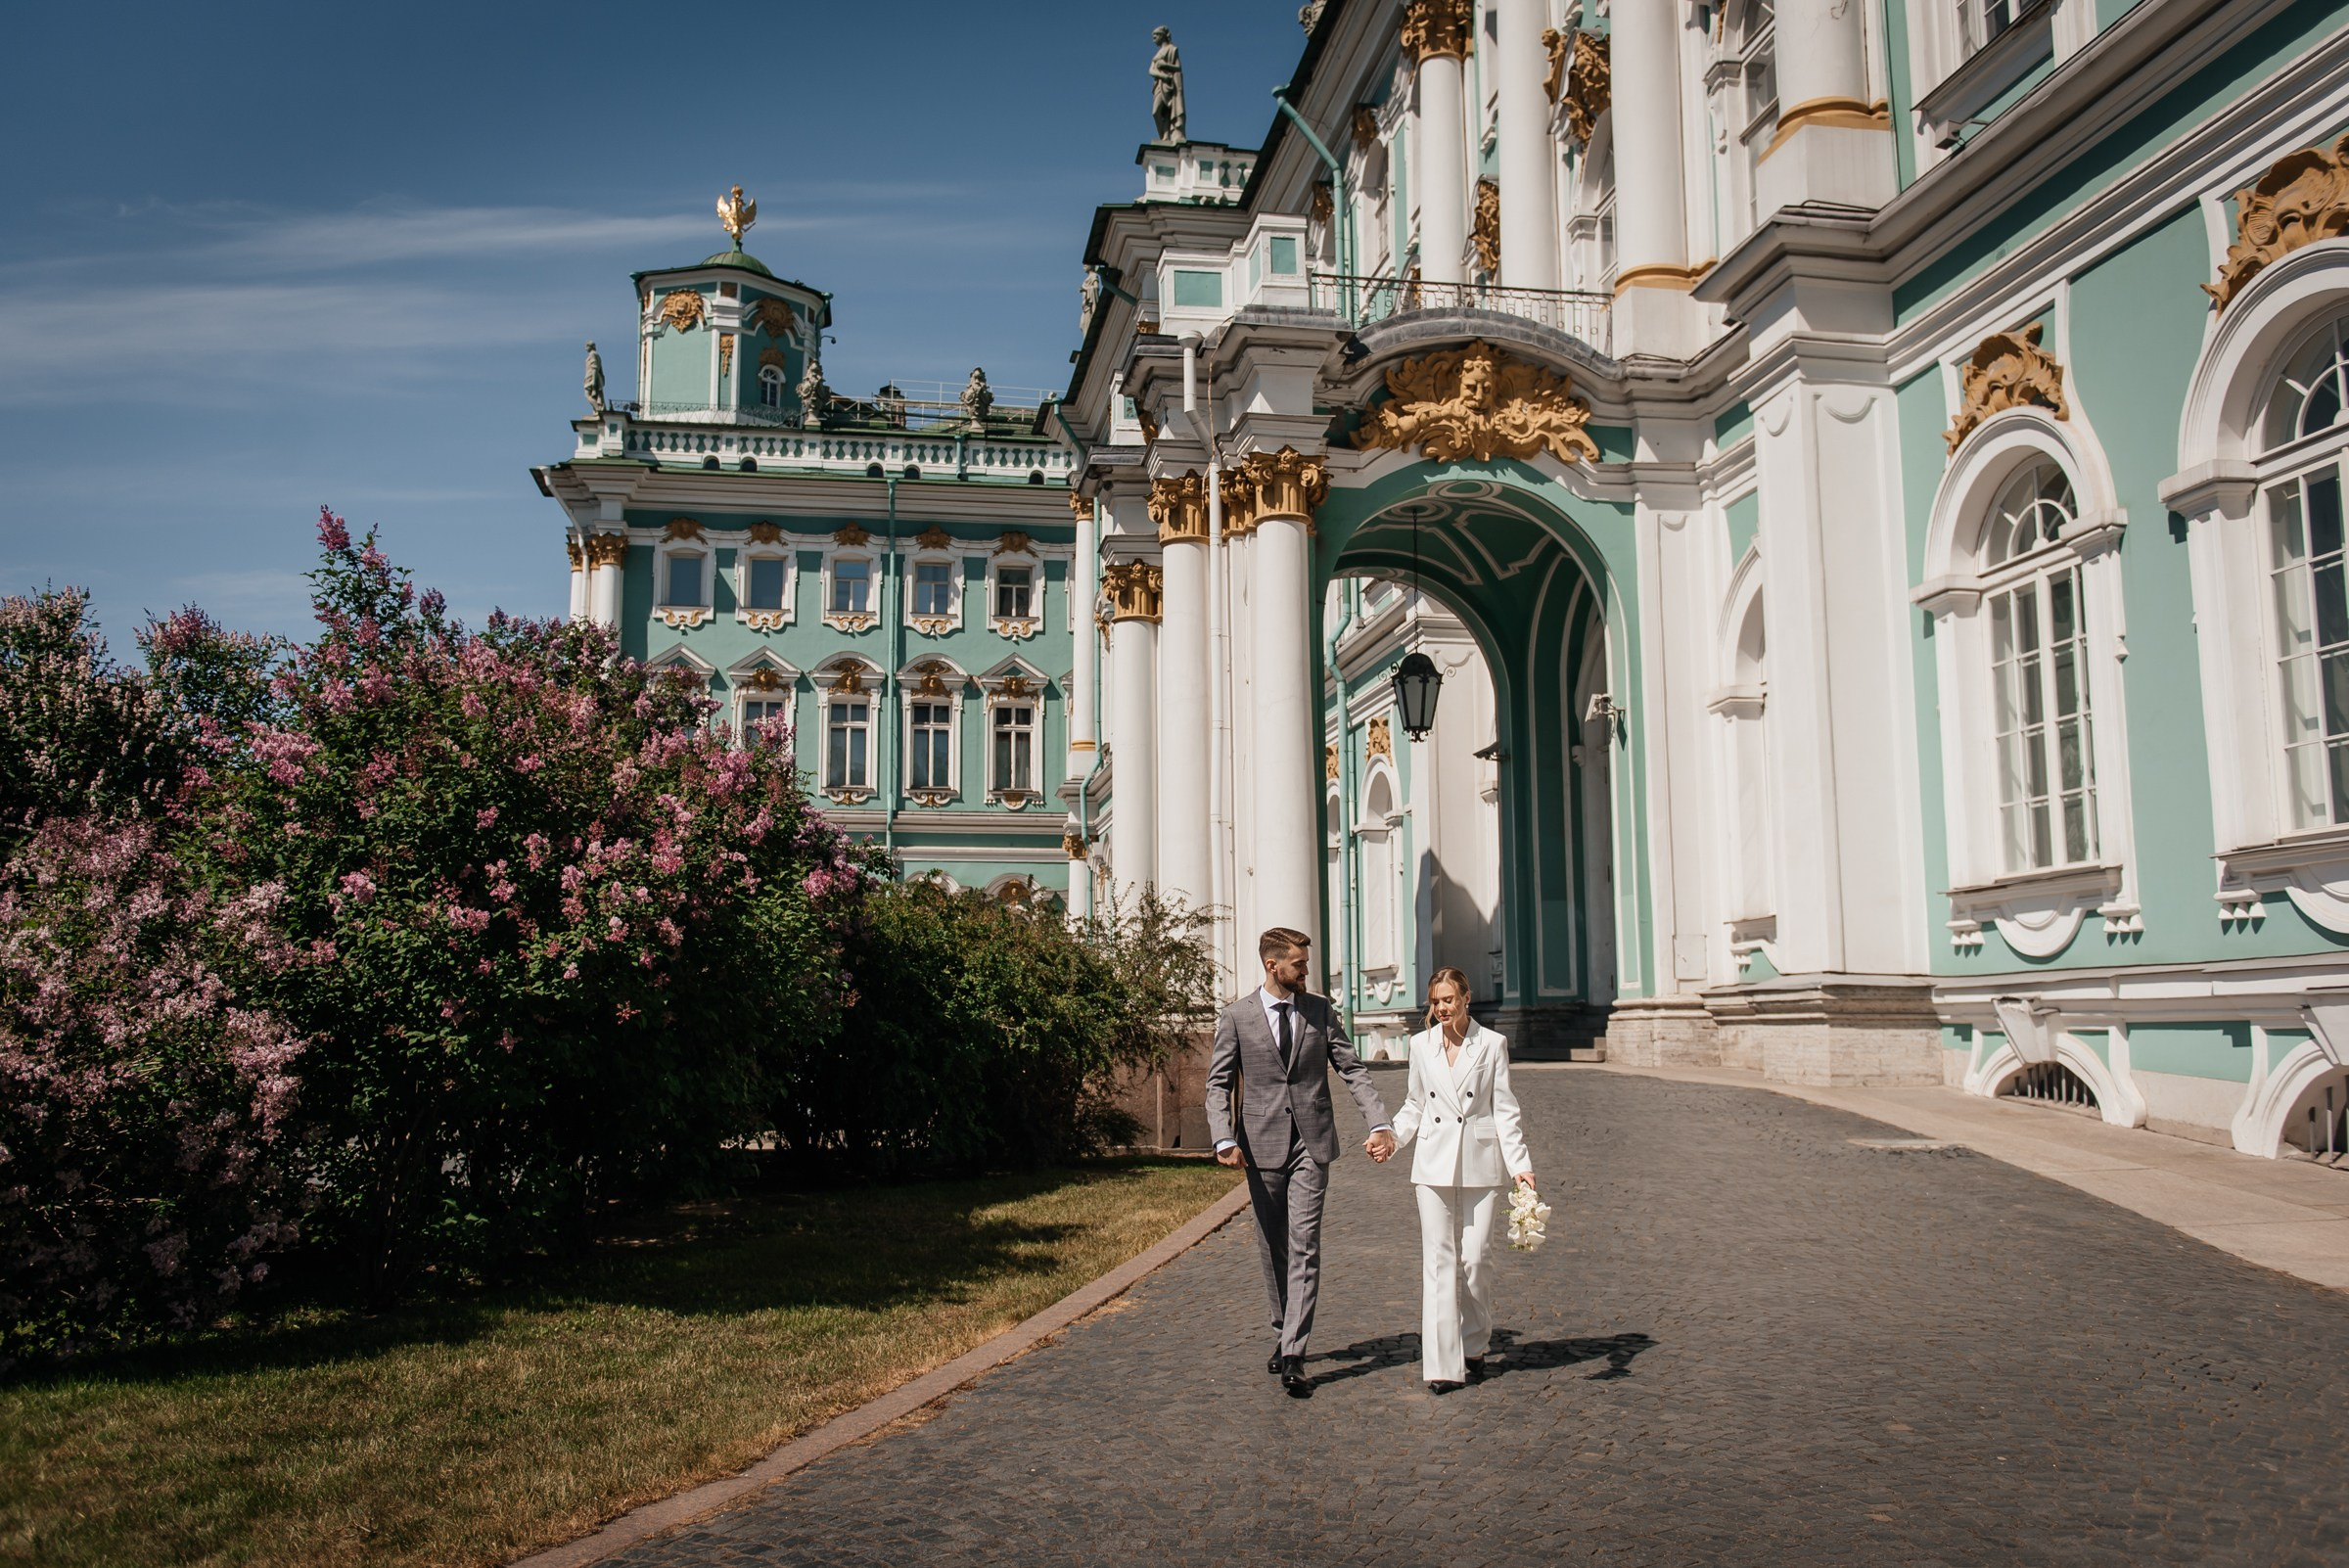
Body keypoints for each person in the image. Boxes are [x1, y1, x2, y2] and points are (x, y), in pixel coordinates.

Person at [1206, 927, 1396, 1397]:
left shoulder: (1319, 1011)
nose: (1307, 972)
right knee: (1273, 1246)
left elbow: (1351, 1068)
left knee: (1304, 1243)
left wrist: (1378, 1122)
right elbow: (1218, 1083)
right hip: (1260, 1144)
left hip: (1312, 1144)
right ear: (1273, 966)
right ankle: (1282, 1329)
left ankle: (1294, 1351)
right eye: (1299, 965)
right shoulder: (1237, 1017)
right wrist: (1222, 1138)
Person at [1388, 967, 1535, 1395]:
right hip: (1433, 1161)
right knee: (1438, 1261)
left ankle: (1474, 1345)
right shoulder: (1420, 1045)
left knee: (1476, 1259)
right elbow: (1414, 1104)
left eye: (1448, 999)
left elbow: (1505, 1110)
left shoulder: (1491, 1045)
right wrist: (1391, 1138)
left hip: (1481, 1160)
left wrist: (1520, 1165)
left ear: (1467, 998)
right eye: (1435, 1001)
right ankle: (1442, 1367)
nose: (1441, 1008)